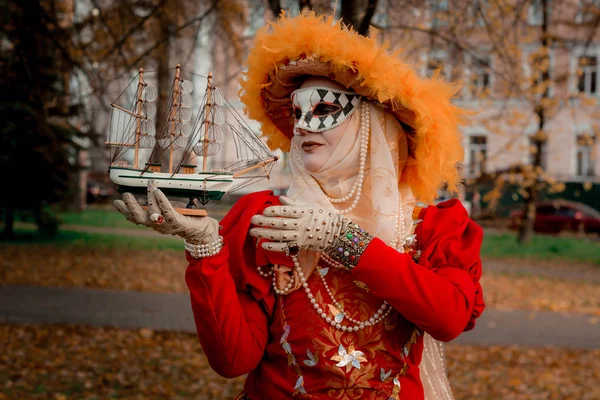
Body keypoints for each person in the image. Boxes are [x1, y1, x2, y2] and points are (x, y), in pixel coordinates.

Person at [114, 12, 485, 400]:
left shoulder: (429, 227)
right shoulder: (268, 220)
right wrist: (206, 249)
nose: (304, 125)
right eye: (297, 113)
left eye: (323, 110)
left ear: (373, 122)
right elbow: (233, 360)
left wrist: (342, 239)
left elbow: (448, 318)